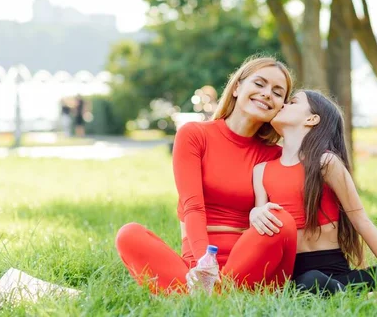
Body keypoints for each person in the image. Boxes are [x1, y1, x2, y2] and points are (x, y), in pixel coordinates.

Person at [115, 56, 298, 294]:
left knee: (281, 219)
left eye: (277, 92)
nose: (266, 94)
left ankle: (202, 298)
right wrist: (205, 266)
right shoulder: (194, 135)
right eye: (259, 84)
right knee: (129, 234)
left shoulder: (276, 155)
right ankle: (211, 296)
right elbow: (193, 207)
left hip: (248, 266)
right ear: (237, 87)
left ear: (282, 105)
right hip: (197, 264)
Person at [250, 90, 377, 296]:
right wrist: (254, 213)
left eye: (293, 102)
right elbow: (259, 230)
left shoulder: (326, 162)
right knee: (310, 280)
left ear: (311, 119)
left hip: (340, 276)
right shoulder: (261, 171)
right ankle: (366, 299)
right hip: (297, 276)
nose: (283, 105)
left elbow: (361, 221)